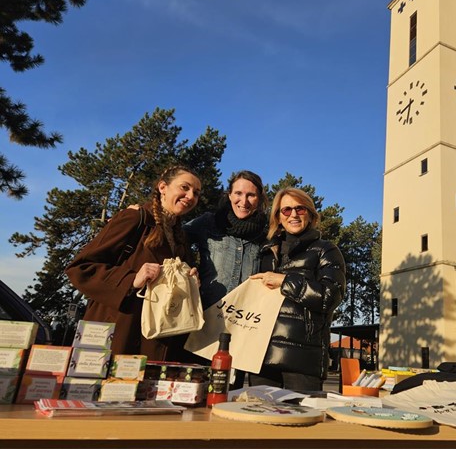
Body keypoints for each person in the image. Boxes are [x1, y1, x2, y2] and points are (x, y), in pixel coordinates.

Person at [65, 165, 201, 362]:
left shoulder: (180, 237)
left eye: (196, 193)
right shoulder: (135, 218)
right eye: (185, 188)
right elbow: (80, 268)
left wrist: (190, 281)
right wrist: (132, 279)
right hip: (117, 335)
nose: (190, 196)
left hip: (156, 338)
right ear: (163, 187)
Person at [249, 187, 346, 392]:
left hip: (303, 362)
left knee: (301, 420)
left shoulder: (326, 250)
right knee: (259, 421)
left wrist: (284, 281)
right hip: (261, 359)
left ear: (310, 214)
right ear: (278, 216)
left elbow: (331, 296)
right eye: (286, 210)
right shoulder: (265, 252)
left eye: (300, 209)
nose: (293, 214)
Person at [183, 170, 268, 388]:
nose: (244, 201)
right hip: (202, 324)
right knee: (192, 390)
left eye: (251, 195)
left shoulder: (268, 234)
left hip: (242, 328)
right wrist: (187, 268)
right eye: (238, 193)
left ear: (259, 198)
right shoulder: (208, 223)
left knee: (229, 393)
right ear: (229, 195)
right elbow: (174, 237)